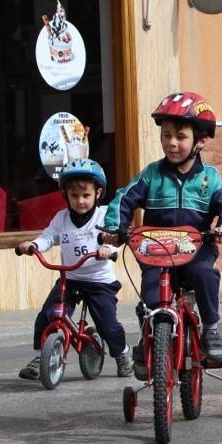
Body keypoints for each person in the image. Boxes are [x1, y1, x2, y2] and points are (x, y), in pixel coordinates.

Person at [103, 92, 222, 378]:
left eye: (180, 136)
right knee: (150, 293)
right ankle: (148, 337)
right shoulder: (151, 175)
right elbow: (124, 199)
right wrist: (113, 227)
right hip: (155, 249)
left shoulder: (210, 179)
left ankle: (212, 331)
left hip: (196, 249)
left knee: (205, 275)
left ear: (201, 141)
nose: (171, 142)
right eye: (166, 135)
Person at [16, 159, 131, 380]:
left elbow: (115, 235)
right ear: (66, 195)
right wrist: (33, 245)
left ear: (98, 193)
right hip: (70, 278)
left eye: (86, 195)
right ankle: (42, 357)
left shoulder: (104, 215)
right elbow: (48, 237)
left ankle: (122, 355)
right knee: (48, 315)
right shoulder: (62, 218)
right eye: (74, 196)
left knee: (108, 325)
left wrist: (108, 247)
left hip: (99, 281)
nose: (80, 201)